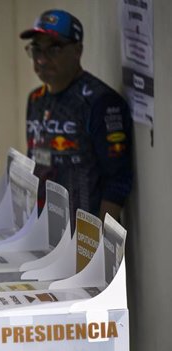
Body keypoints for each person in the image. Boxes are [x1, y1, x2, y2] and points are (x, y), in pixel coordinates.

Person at [21, 9, 133, 223]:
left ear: (77, 51)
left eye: (54, 49)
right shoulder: (35, 99)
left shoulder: (101, 103)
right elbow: (35, 162)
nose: (42, 60)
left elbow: (118, 180)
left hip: (85, 235)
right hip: (42, 228)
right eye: (36, 50)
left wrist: (98, 245)